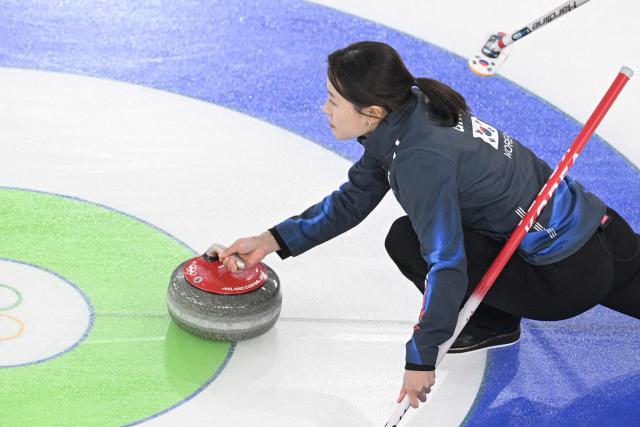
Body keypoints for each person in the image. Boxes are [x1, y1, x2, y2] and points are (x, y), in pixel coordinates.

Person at [208, 41, 640, 410]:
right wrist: (272, 241)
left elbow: (446, 262)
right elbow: (354, 198)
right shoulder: (412, 107)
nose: (325, 110)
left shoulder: (419, 159)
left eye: (334, 101)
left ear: (372, 111)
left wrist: (422, 356)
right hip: (608, 235)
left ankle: (489, 325)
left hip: (562, 279)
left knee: (406, 239)